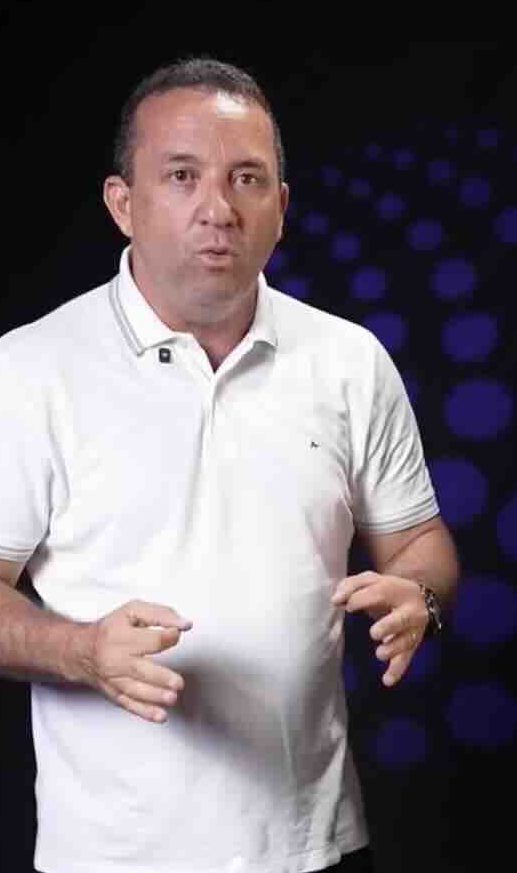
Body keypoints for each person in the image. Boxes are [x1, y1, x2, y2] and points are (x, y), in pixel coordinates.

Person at [0, 57, 458, 873]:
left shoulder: (349, 361)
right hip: (113, 854)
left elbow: (420, 543)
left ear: (280, 208)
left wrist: (418, 595)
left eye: (247, 179)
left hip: (312, 844)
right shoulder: (31, 370)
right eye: (182, 176)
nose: (218, 208)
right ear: (122, 203)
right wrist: (84, 650)